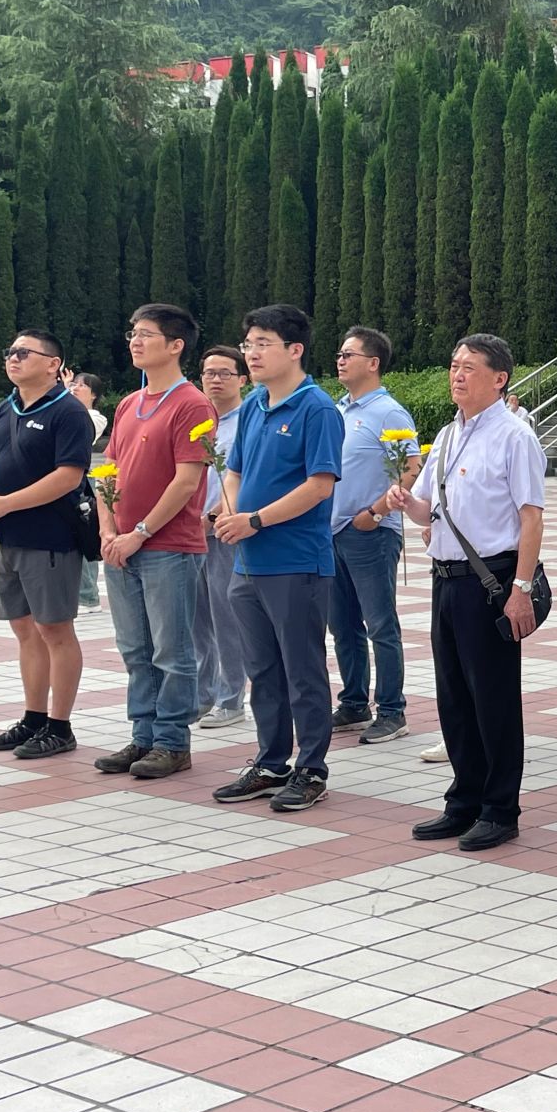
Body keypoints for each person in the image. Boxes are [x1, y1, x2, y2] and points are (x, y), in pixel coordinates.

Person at [384, 335, 546, 850]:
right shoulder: (447, 434)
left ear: (499, 379)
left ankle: (500, 808)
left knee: (493, 698)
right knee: (454, 696)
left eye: (469, 367)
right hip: (445, 579)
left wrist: (520, 589)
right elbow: (428, 511)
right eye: (454, 365)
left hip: (490, 581)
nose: (457, 374)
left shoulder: (514, 436)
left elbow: (531, 518)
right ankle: (464, 800)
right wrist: (405, 501)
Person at [213, 305, 344, 812]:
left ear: (295, 350)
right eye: (248, 343)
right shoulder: (253, 406)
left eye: (263, 343)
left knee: (302, 669)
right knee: (262, 668)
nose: (251, 353)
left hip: (296, 561)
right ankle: (271, 763)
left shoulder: (317, 408)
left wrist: (256, 519)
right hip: (248, 560)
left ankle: (312, 768)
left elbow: (319, 486)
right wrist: (230, 513)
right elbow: (234, 471)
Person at [94, 305, 214, 780]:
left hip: (169, 547)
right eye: (133, 333)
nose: (135, 341)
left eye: (146, 334)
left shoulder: (192, 404)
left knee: (171, 651)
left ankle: (172, 742)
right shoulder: (128, 403)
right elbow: (107, 472)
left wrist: (139, 532)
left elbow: (187, 482)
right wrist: (108, 530)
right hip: (121, 545)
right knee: (134, 648)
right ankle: (142, 735)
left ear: (176, 345)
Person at [0, 330, 92, 759]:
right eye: (10, 352)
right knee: (24, 629)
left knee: (54, 628)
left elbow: (69, 476)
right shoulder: (5, 407)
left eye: (24, 352)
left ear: (53, 364)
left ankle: (60, 726)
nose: (13, 358)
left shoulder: (68, 411)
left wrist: (5, 503)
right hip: (6, 536)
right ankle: (33, 718)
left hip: (49, 536)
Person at [328, 326, 420, 746]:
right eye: (339, 353)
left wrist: (375, 512)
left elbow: (411, 469)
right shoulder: (338, 410)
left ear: (373, 363)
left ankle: (392, 710)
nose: (340, 360)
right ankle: (353, 703)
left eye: (348, 354)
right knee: (342, 625)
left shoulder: (389, 412)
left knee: (380, 624)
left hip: (370, 532)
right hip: (332, 532)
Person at [193, 347, 250, 728]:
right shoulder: (197, 421)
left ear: (242, 379)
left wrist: (212, 517)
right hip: (189, 534)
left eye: (224, 373)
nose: (215, 379)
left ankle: (231, 698)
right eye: (209, 373)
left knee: (225, 616)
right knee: (196, 619)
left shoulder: (247, 422)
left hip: (224, 533)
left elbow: (245, 479)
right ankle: (203, 695)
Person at [68, 372, 109, 612]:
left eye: (81, 386)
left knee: (85, 534)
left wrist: (63, 394)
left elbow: (81, 430)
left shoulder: (95, 417)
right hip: (64, 481)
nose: (75, 388)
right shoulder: (67, 410)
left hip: (82, 483)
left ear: (93, 394)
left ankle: (89, 597)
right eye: (73, 384)